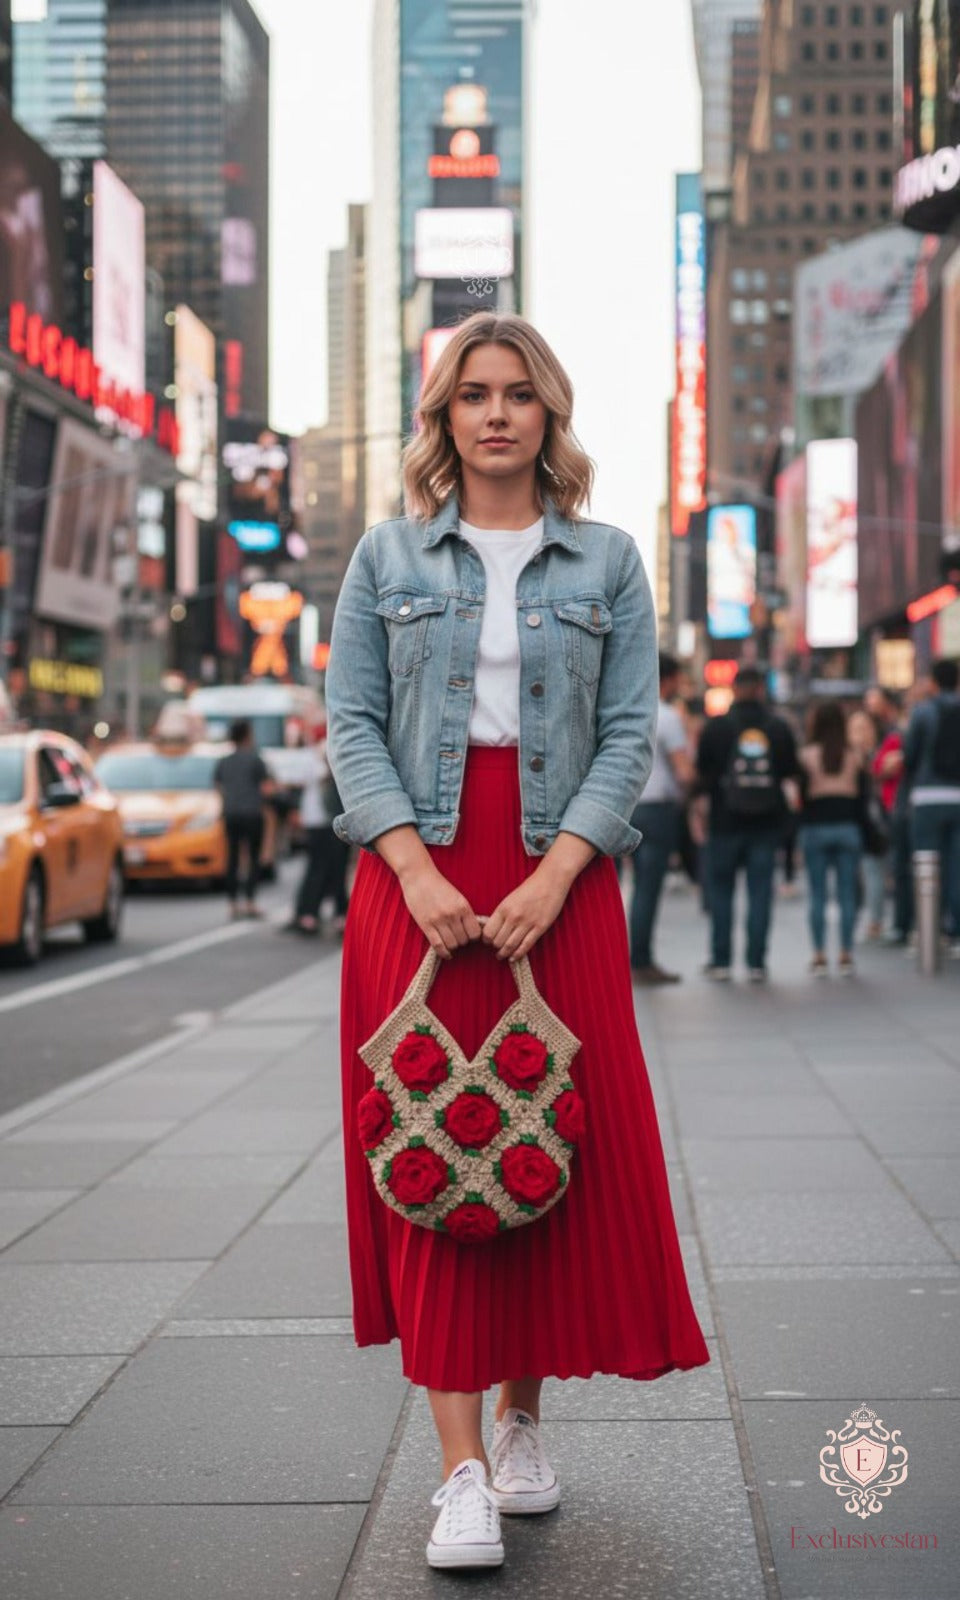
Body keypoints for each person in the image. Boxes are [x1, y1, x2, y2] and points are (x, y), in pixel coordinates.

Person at [325, 312, 709, 1573]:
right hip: (418, 873)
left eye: (519, 395)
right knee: (434, 1145)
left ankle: (525, 1422)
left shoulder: (604, 560)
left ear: (550, 413)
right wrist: (411, 866)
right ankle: (459, 1476)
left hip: (564, 876)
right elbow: (353, 724)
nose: (496, 414)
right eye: (472, 395)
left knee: (542, 1142)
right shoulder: (385, 554)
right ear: (442, 418)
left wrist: (560, 870)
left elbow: (629, 733)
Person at [695, 665, 798, 982]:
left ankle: (721, 960)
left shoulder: (717, 727)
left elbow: (703, 774)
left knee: (722, 892)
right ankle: (756, 962)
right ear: (759, 689)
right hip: (766, 822)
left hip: (724, 821)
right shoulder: (778, 727)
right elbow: (790, 771)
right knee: (760, 892)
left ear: (734, 689)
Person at [628, 651, 695, 983]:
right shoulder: (666, 716)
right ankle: (639, 960)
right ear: (667, 679)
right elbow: (683, 771)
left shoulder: (626, 710)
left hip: (626, 808)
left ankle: (630, 958)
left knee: (629, 885)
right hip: (657, 810)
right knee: (647, 888)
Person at [797, 701, 866, 976]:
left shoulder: (807, 755)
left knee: (817, 895)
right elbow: (863, 797)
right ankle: (846, 954)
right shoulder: (853, 755)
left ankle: (819, 955)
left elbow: (800, 795)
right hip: (848, 827)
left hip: (815, 827)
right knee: (847, 894)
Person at [904, 657, 960, 954]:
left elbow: (910, 755)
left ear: (934, 682)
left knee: (926, 864)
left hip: (927, 797)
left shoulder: (923, 712)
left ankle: (927, 930)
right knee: (957, 867)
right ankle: (957, 932)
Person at [283, 722, 350, 935]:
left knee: (328, 868)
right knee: (326, 867)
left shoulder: (325, 754)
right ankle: (316, 913)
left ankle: (322, 914)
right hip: (325, 819)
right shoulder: (314, 756)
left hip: (329, 819)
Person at [213, 719, 270, 919]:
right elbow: (265, 787)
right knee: (253, 858)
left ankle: (232, 903)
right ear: (247, 735)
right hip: (252, 813)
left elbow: (218, 786)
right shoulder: (255, 759)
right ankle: (250, 902)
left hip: (231, 813)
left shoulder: (224, 760)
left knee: (233, 857)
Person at [848, 707, 886, 940]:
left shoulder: (875, 756)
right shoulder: (849, 757)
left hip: (870, 818)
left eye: (864, 728)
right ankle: (868, 919)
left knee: (872, 870)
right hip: (859, 818)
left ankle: (873, 920)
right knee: (862, 871)